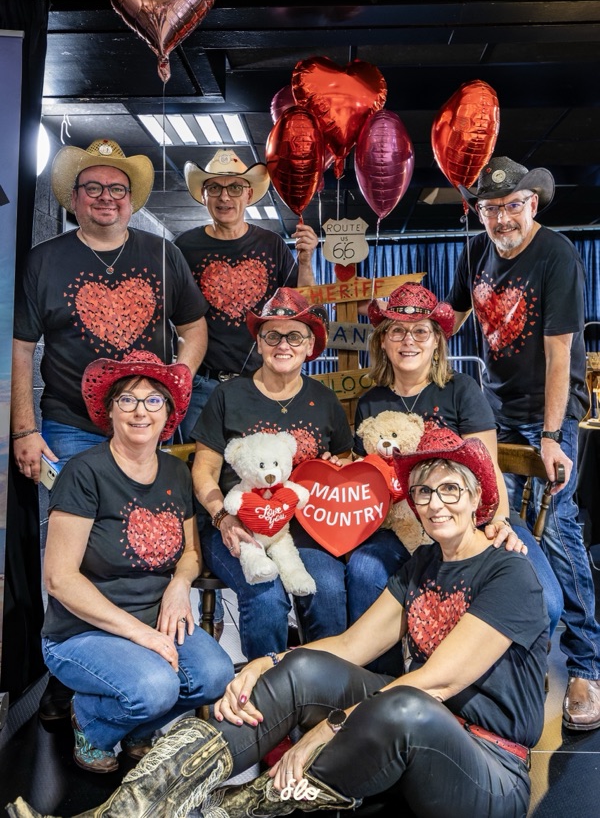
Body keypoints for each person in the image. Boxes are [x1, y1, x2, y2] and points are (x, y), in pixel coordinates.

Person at [8, 427, 549, 818]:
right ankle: (125, 812)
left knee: (405, 703)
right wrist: (268, 663)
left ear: (478, 496)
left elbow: (440, 681)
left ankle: (234, 812)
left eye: (450, 490)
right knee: (308, 667)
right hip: (410, 730)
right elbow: (352, 644)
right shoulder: (424, 564)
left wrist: (323, 731)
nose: (434, 505)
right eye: (425, 491)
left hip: (487, 767)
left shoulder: (510, 574)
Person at [447, 155, 600, 730]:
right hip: (496, 411)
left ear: (532, 204)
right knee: (498, 529)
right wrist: (399, 317)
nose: (503, 218)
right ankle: (518, 651)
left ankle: (586, 665)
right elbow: (451, 318)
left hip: (550, 416)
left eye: (514, 206)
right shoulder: (477, 252)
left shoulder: (555, 253)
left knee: (557, 531)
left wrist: (553, 437)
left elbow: (561, 353)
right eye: (491, 209)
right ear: (479, 213)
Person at [36, 350, 234, 774]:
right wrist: (142, 637)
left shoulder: (176, 473)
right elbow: (59, 579)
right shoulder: (83, 473)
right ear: (109, 411)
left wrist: (180, 586)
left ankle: (136, 726)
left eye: (152, 400)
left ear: (169, 413)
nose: (140, 411)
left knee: (215, 675)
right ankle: (91, 721)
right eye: (127, 399)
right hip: (83, 631)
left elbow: (190, 553)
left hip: (155, 618)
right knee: (155, 685)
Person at [353, 282, 563, 644]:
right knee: (363, 571)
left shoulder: (461, 389)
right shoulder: (370, 402)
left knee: (547, 599)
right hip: (402, 523)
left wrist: (498, 522)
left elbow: (487, 467)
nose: (408, 341)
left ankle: (486, 680)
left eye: (421, 331)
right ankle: (380, 681)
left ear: (436, 341)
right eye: (397, 331)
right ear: (383, 342)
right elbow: (367, 476)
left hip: (474, 518)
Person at [11, 138, 209, 483]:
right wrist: (24, 430)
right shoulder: (42, 261)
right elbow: (21, 347)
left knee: (145, 526)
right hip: (71, 424)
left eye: (118, 189)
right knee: (78, 525)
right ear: (74, 198)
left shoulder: (164, 254)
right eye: (93, 187)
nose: (106, 197)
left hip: (147, 422)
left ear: (131, 200)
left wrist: (175, 383)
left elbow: (194, 328)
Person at [190, 288, 353, 661]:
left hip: (307, 527)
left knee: (327, 588)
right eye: (272, 335)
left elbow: (343, 459)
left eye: (294, 335)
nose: (283, 344)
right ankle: (267, 697)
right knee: (264, 593)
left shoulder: (325, 400)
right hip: (237, 522)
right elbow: (204, 470)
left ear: (311, 344)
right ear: (259, 342)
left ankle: (322, 690)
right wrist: (222, 517)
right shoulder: (228, 395)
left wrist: (335, 464)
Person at [175, 149, 319, 439]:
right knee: (199, 467)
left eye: (235, 188)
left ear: (249, 194)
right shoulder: (184, 246)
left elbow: (302, 308)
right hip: (202, 385)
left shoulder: (271, 243)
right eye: (214, 188)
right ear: (203, 196)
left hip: (264, 382)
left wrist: (305, 261)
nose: (224, 197)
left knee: (264, 467)